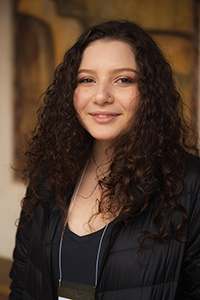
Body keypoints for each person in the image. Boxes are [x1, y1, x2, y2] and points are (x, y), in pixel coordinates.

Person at [9, 20, 200, 300]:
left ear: (150, 92)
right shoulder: (48, 176)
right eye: (87, 79)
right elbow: (21, 284)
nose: (101, 96)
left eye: (123, 79)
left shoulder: (190, 185)